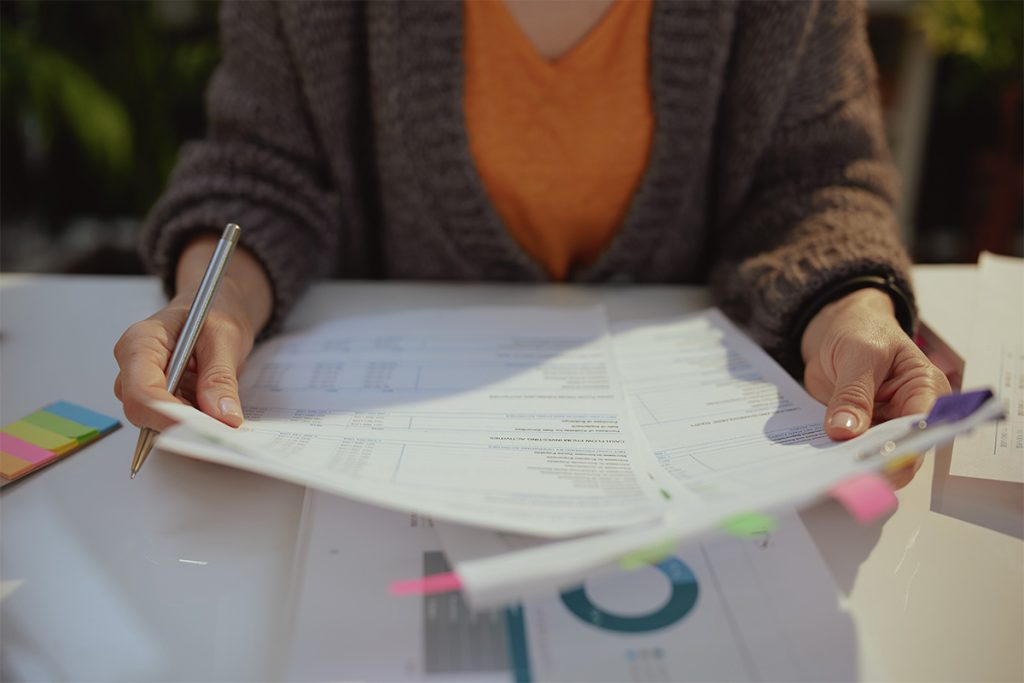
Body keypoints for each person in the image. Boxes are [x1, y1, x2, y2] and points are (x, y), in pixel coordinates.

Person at [113, 1, 950, 475]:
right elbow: (262, 173)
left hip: (702, 484)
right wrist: (211, 303)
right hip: (357, 486)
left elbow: (817, 183)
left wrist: (851, 307)